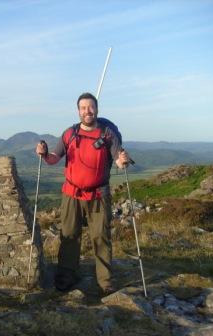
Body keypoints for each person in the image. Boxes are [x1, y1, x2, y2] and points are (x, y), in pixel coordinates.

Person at [35, 92, 130, 294]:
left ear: (97, 109)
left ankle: (105, 281)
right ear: (78, 111)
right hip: (71, 193)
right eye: (83, 108)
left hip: (98, 194)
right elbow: (54, 158)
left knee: (101, 236)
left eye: (91, 107)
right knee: (69, 235)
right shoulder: (69, 134)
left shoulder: (108, 134)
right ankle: (67, 276)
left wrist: (123, 160)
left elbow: (119, 161)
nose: (88, 111)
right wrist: (43, 154)